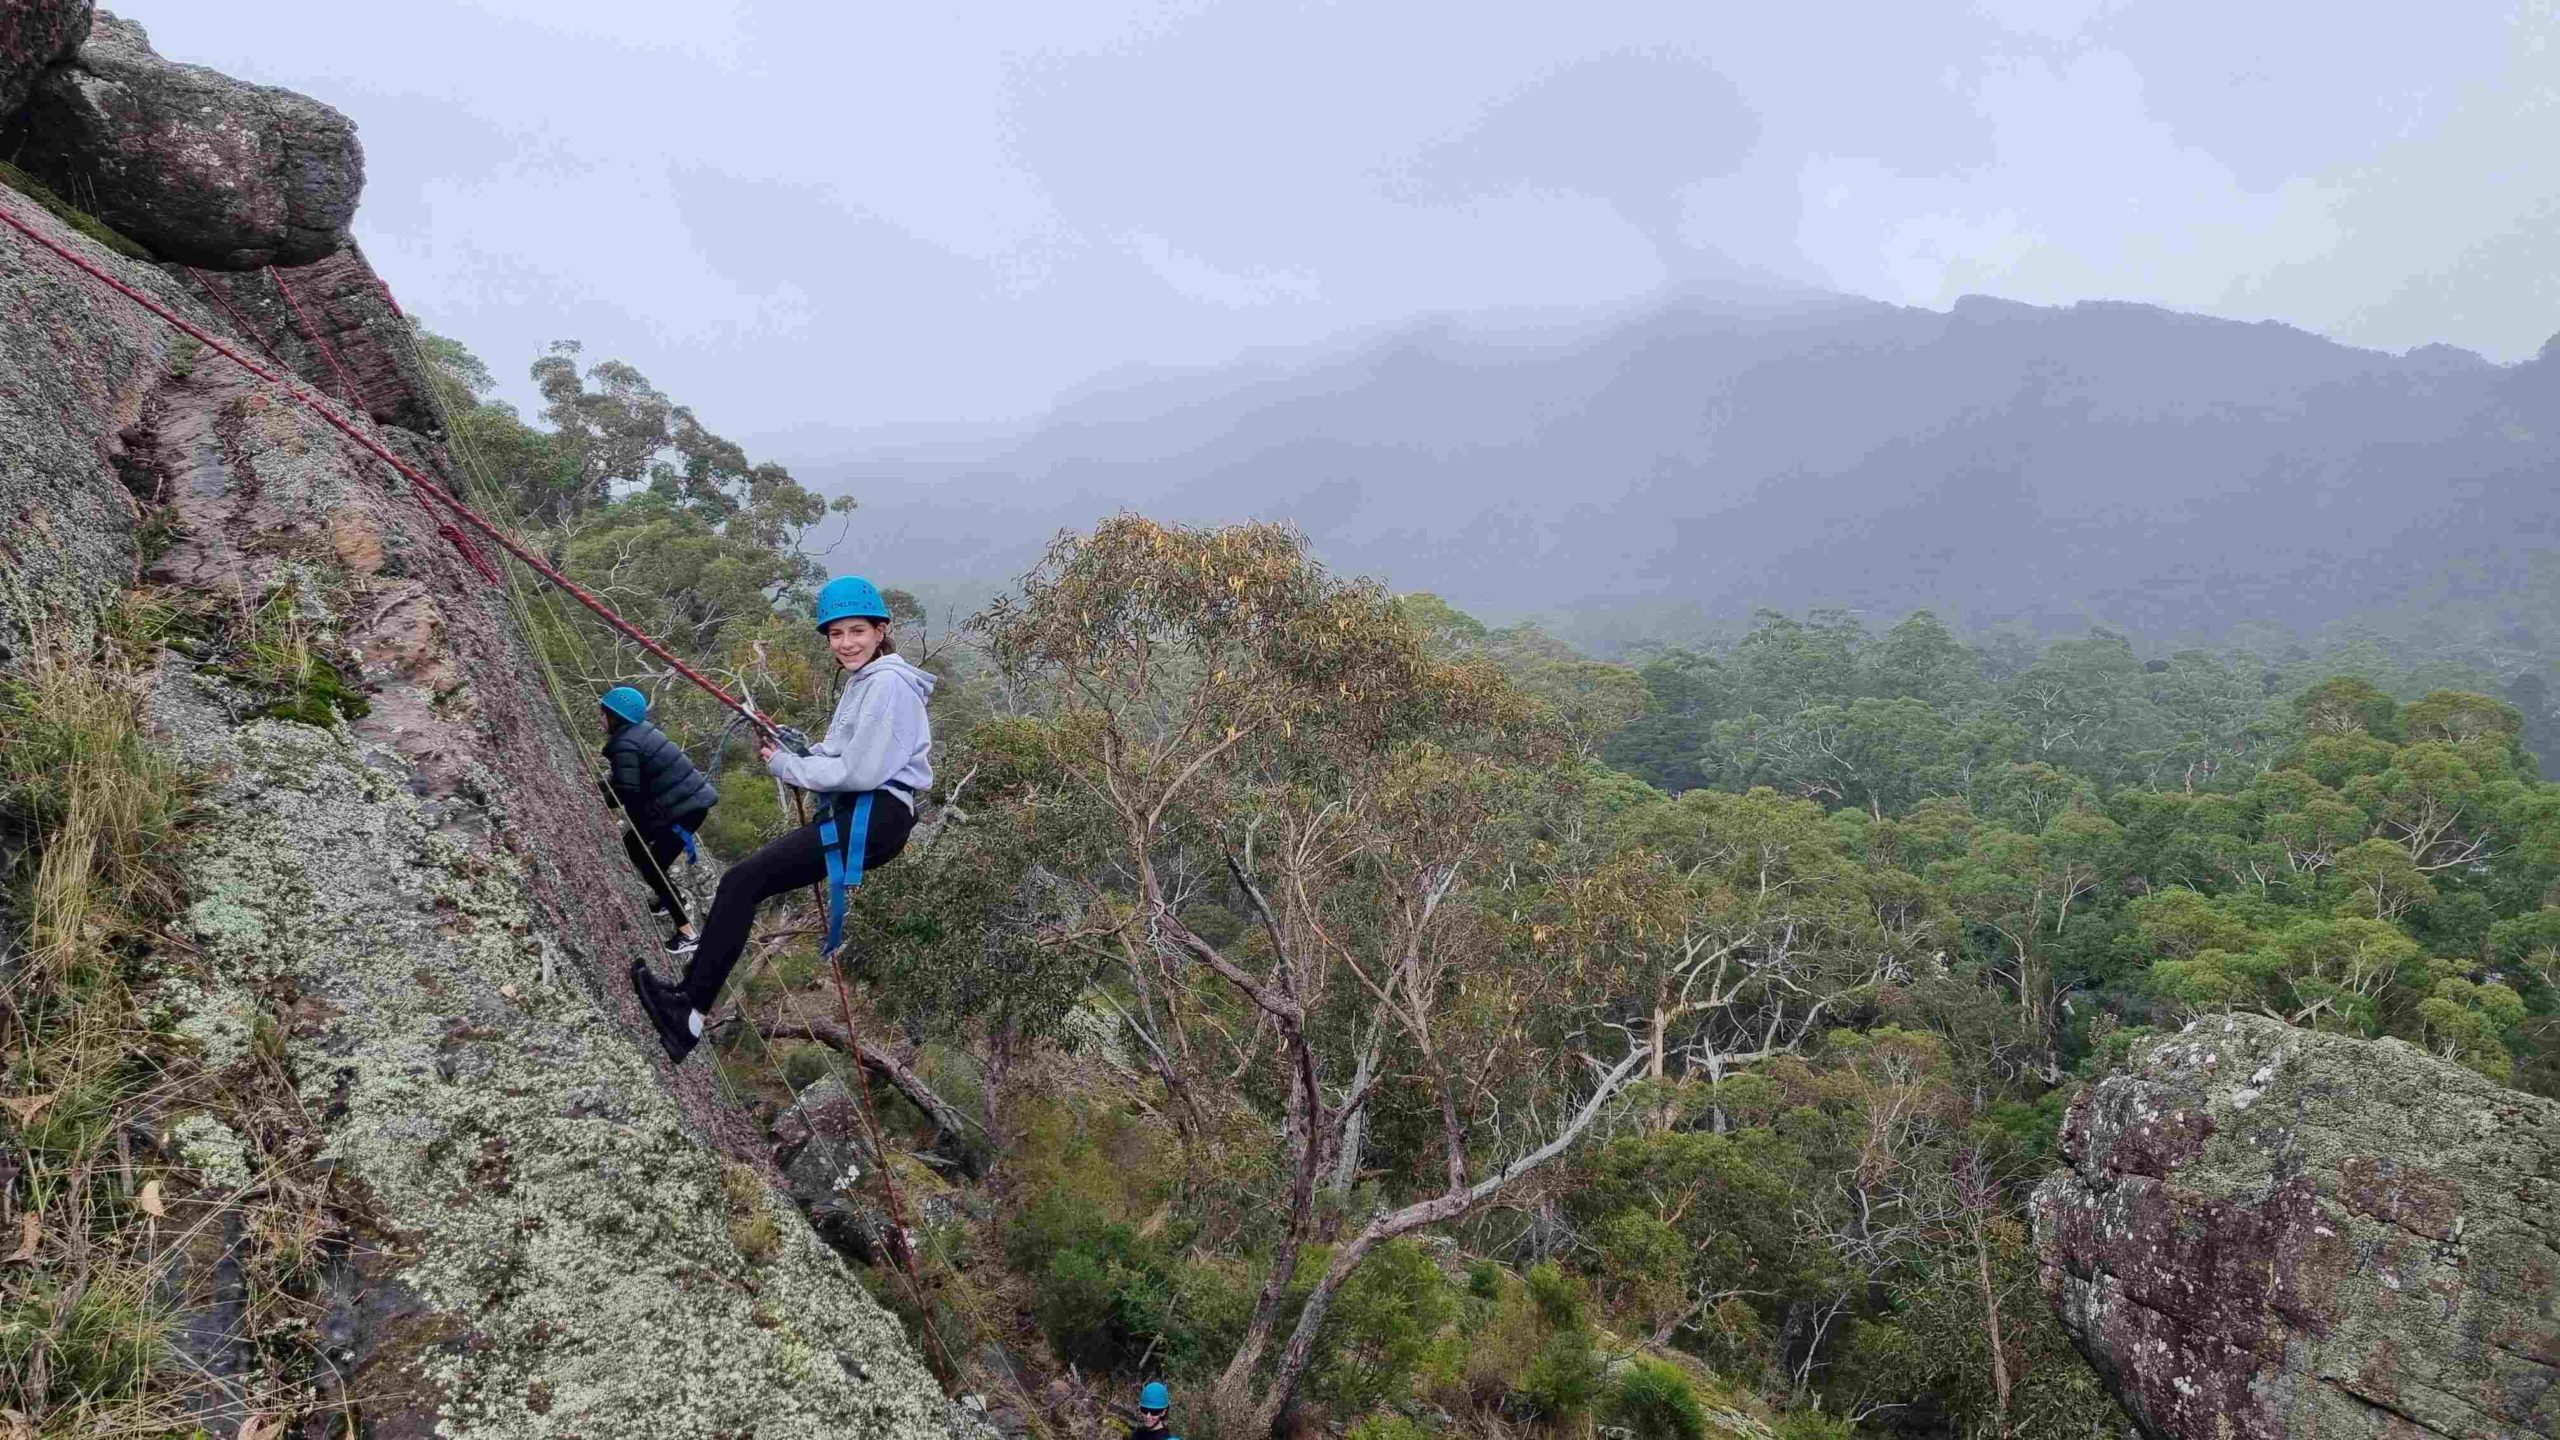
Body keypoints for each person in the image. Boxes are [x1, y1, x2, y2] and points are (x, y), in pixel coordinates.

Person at [628, 576, 934, 1064]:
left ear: (882, 630)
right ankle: (688, 1007)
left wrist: (787, 766)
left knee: (741, 883)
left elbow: (862, 769)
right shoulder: (866, 684)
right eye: (836, 634)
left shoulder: (888, 685)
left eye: (857, 631)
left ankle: (688, 1012)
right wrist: (799, 751)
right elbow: (841, 754)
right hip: (869, 813)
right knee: (743, 884)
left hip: (874, 813)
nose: (846, 643)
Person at [598, 685, 719, 956]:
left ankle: (687, 932)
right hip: (689, 804)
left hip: (681, 809)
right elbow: (626, 779)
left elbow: (627, 791)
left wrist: (597, 800)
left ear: (614, 717)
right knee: (642, 853)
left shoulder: (623, 744)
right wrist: (600, 787)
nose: (600, 719)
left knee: (647, 860)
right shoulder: (640, 733)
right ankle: (665, 901)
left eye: (603, 714)